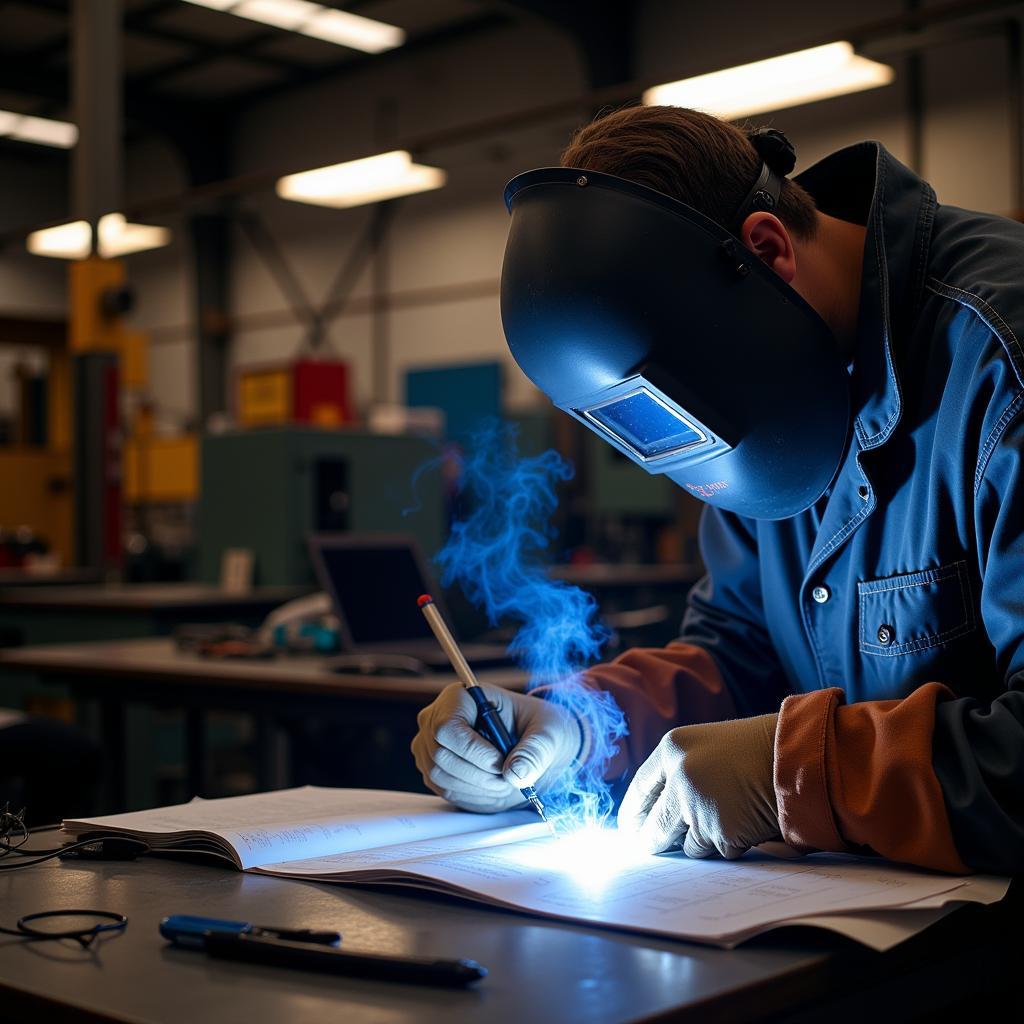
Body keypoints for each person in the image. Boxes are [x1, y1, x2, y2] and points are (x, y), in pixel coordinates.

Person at [412, 105, 1024, 875]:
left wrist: (802, 774)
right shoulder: (765, 377)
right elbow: (739, 653)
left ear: (766, 250)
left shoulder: (1001, 361)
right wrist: (576, 727)